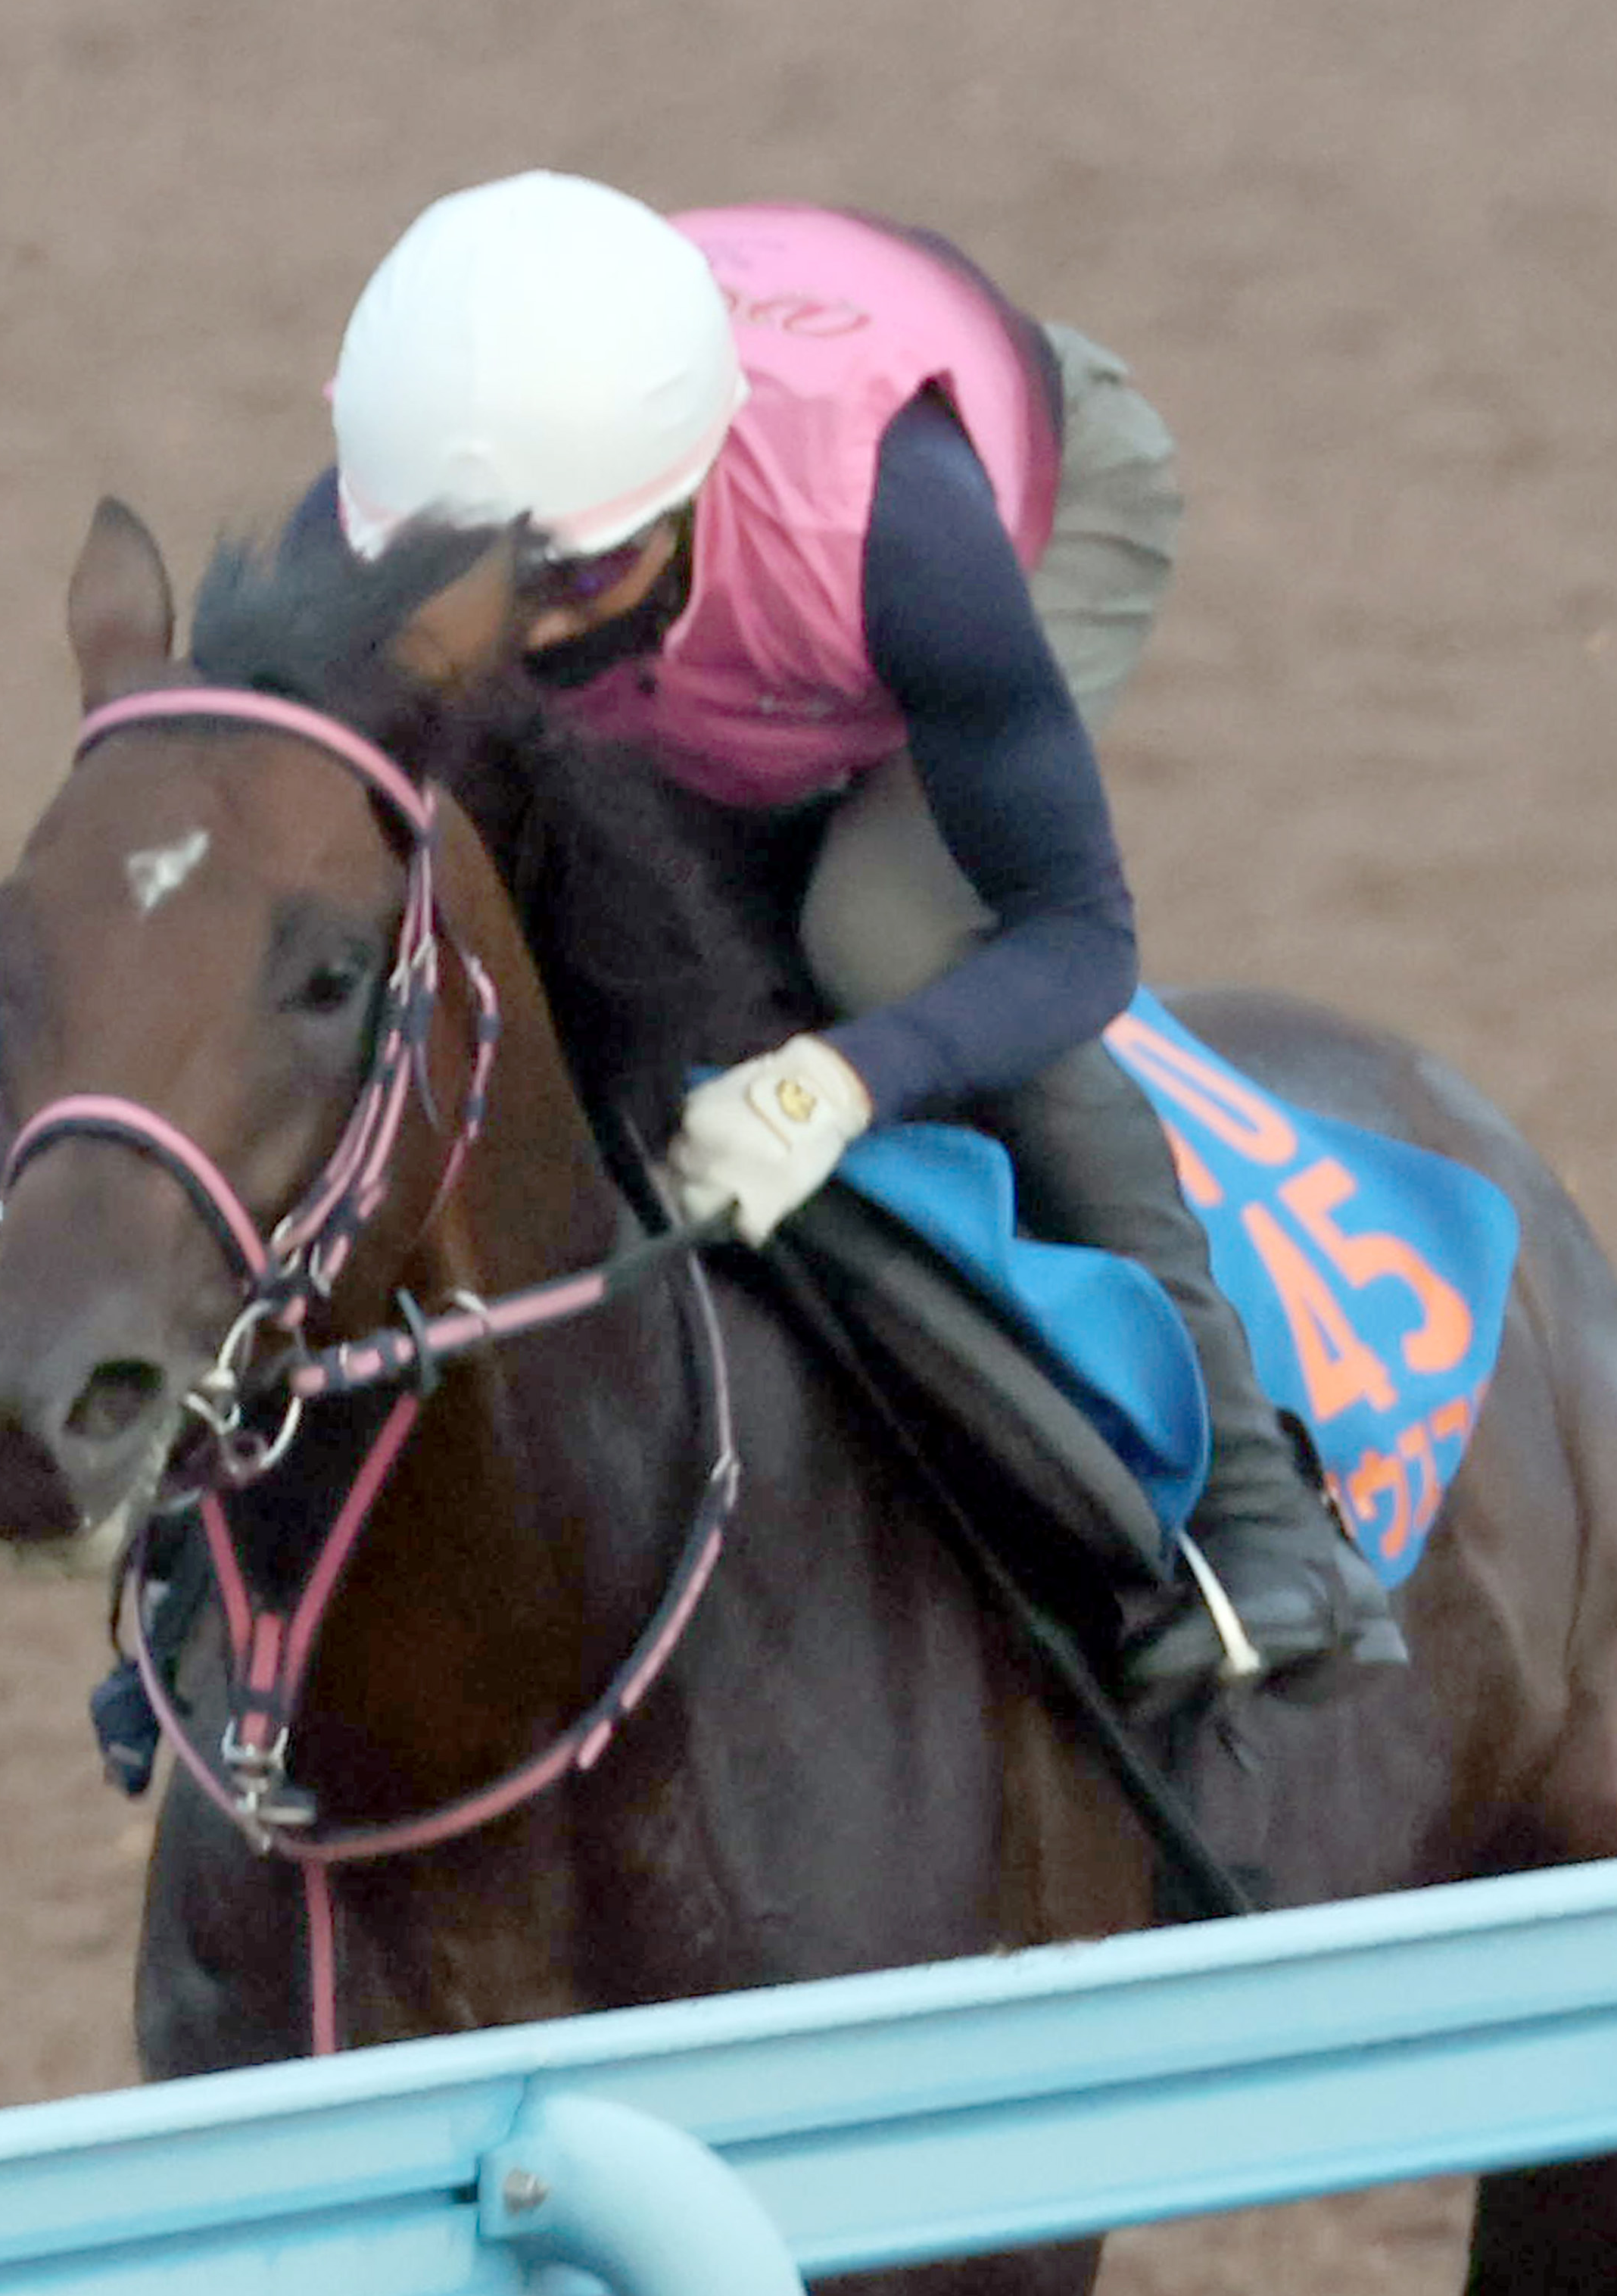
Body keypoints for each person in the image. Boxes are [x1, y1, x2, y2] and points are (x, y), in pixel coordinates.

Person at [320, 170, 1402, 1704]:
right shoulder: (398, 499)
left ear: (685, 492)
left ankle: (1261, 1515)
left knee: (881, 935)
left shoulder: (902, 534)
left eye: (568, 577)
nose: (529, 636)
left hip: (1005, 506)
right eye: (471, 588)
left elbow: (1074, 935)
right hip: (751, 574)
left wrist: (831, 1086)